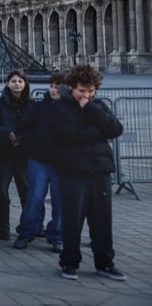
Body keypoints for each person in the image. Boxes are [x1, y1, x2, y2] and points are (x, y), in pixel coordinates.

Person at [47, 64, 126, 281]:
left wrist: (90, 109)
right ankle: (69, 262)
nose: (87, 96)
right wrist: (97, 131)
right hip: (73, 170)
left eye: (91, 91)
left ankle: (105, 262)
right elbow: (66, 135)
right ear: (71, 87)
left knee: (102, 219)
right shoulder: (58, 108)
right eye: (82, 91)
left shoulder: (97, 105)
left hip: (100, 169)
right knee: (73, 219)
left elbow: (115, 129)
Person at [13, 72, 65, 252]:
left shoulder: (70, 109)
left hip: (61, 162)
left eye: (57, 87)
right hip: (39, 159)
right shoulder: (39, 107)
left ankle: (58, 235)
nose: (53, 90)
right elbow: (25, 126)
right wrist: (31, 146)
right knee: (34, 198)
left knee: (60, 200)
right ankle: (27, 231)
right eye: (52, 86)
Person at [0, 70, 31, 241]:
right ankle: (3, 228)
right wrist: (8, 133)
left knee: (27, 191)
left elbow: (35, 126)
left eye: (20, 81)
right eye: (13, 81)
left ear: (25, 84)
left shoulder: (31, 105)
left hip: (23, 154)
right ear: (7, 83)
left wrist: (22, 137)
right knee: (2, 192)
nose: (17, 84)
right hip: (3, 153)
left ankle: (29, 226)